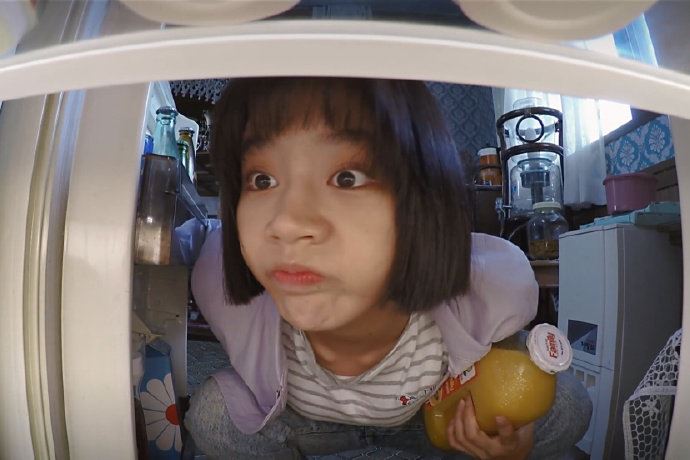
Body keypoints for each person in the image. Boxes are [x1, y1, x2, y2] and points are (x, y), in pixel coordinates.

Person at [184, 77, 591, 459]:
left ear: (423, 206)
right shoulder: (225, 280)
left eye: (346, 178)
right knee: (213, 418)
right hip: (305, 420)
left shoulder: (481, 296)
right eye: (262, 180)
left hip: (433, 416)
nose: (287, 223)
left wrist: (506, 443)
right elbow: (190, 233)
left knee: (566, 403)